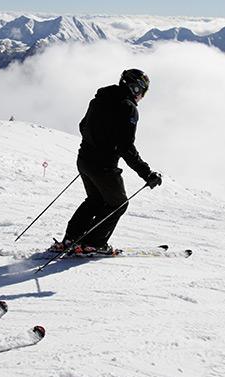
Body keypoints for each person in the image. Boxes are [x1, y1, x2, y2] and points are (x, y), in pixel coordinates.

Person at [52, 69, 162, 255]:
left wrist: (96, 144)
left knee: (95, 200)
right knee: (118, 204)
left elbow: (82, 126)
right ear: (135, 89)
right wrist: (146, 173)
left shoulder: (99, 99)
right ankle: (93, 244)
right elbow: (126, 147)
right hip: (103, 166)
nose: (142, 96)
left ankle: (70, 239)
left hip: (84, 159)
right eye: (143, 91)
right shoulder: (128, 108)